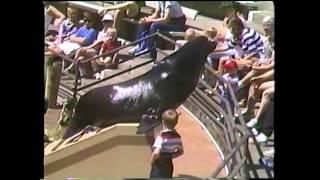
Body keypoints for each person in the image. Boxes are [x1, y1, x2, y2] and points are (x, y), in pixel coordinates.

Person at [150, 109, 184, 178]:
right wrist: (172, 155)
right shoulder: (177, 138)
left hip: (159, 166)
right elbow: (181, 151)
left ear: (163, 122)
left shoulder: (161, 137)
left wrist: (152, 160)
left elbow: (156, 153)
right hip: (169, 165)